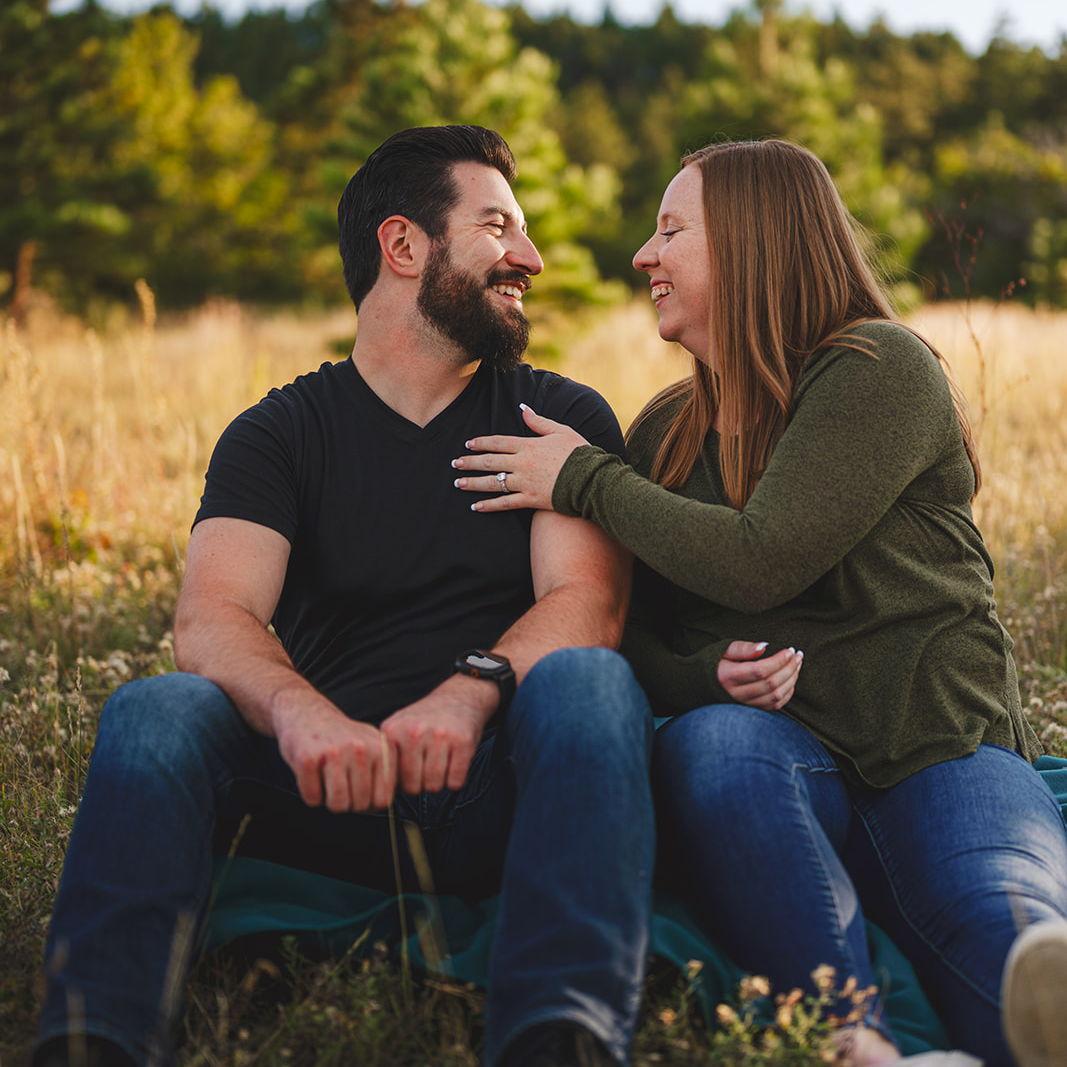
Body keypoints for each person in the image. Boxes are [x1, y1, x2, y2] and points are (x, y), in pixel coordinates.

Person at [35, 124, 750, 1067]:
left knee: (592, 683)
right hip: (326, 784)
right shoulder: (277, 433)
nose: (530, 258)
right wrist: (302, 716)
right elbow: (213, 616)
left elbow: (587, 606)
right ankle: (94, 1039)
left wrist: (468, 694)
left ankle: (561, 1034)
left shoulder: (557, 416)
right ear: (404, 245)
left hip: (499, 786)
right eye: (497, 227)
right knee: (158, 708)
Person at [451, 138, 1067, 1067]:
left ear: (752, 241)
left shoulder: (878, 367)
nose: (643, 255)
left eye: (671, 231)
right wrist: (709, 675)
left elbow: (760, 560)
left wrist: (584, 477)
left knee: (995, 914)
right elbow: (632, 634)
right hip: (768, 758)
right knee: (715, 743)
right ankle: (856, 1042)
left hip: (933, 744)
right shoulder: (667, 428)